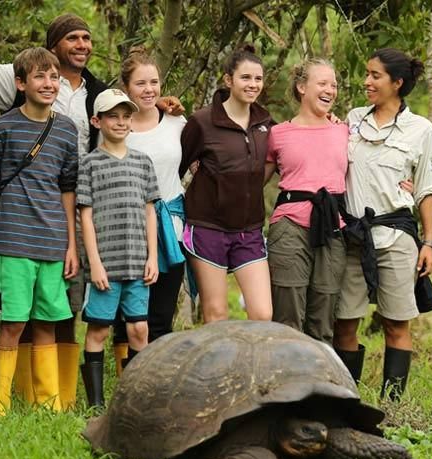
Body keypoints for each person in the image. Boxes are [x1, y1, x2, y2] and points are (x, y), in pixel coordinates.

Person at [0, 14, 184, 405]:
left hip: (80, 208)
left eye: (86, 38)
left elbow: (123, 111)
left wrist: (156, 102)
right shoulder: (20, 76)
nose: (82, 45)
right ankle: (19, 395)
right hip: (24, 217)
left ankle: (59, 397)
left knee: (67, 306)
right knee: (21, 311)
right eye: (73, 38)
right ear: (52, 47)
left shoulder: (98, 90)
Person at [333, 48, 432, 401]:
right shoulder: (352, 120)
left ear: (397, 83)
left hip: (396, 237)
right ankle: (347, 401)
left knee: (396, 322)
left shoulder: (420, 129)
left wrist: (429, 242)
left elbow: (426, 189)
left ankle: (391, 404)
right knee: (345, 321)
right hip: (352, 236)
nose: (367, 81)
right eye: (366, 74)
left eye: (375, 76)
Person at [0, 47, 79, 415]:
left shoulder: (67, 130)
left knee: (48, 322)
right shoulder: (2, 127)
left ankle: (48, 406)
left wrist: (71, 245)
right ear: (21, 83)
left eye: (54, 77)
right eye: (39, 76)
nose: (48, 83)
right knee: (12, 323)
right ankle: (2, 405)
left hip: (53, 241)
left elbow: (68, 188)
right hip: (13, 240)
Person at [77, 89, 160, 408]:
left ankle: (133, 399)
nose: (121, 122)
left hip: (138, 262)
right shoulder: (90, 164)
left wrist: (152, 256)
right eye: (113, 116)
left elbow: (149, 211)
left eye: (127, 116)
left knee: (139, 328)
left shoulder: (142, 162)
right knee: (98, 329)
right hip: (106, 267)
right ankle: (96, 403)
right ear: (97, 121)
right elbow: (85, 216)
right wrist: (94, 264)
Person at [178, 46, 273, 323]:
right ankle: (219, 368)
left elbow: (287, 148)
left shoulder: (265, 122)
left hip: (249, 230)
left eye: (258, 79)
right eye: (245, 78)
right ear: (228, 80)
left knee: (262, 313)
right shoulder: (203, 122)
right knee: (216, 312)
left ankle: (250, 368)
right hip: (208, 227)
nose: (253, 85)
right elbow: (178, 166)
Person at [263, 58, 348, 346]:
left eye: (333, 84)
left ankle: (320, 388)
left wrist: (404, 183)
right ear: (302, 87)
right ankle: (285, 387)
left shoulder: (344, 131)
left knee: (324, 314)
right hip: (289, 226)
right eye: (322, 83)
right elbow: (253, 181)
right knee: (287, 314)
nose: (330, 90)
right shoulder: (278, 134)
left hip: (333, 226)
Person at [111, 48, 187, 347]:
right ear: (126, 87)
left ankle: (154, 388)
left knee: (160, 316)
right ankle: (124, 387)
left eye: (154, 82)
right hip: (126, 230)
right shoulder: (117, 127)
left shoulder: (177, 123)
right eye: (141, 83)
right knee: (124, 318)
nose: (149, 89)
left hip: (170, 227)